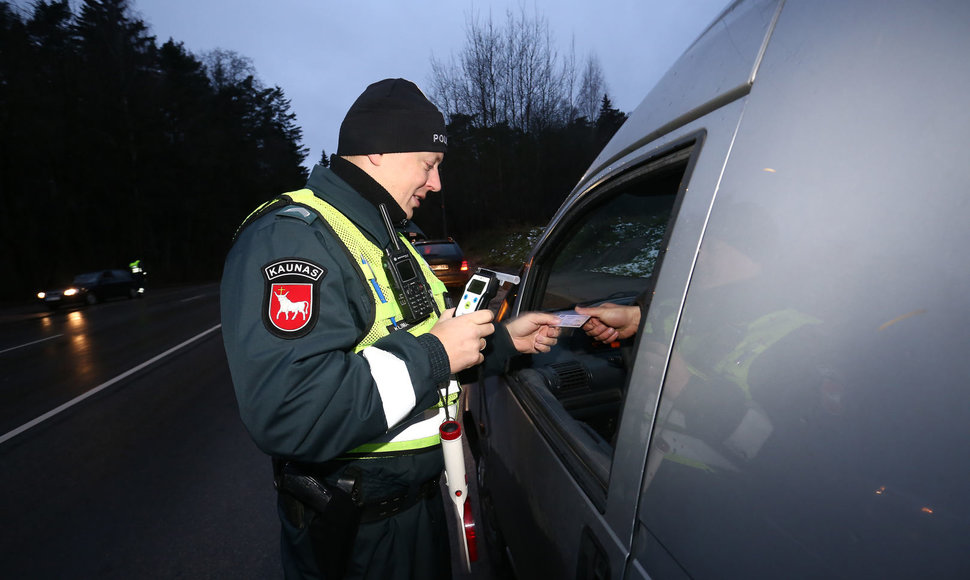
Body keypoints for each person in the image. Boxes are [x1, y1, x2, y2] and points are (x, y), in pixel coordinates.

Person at [220, 78, 560, 580]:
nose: (436, 184)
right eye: (429, 164)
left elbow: (432, 347)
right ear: (378, 150)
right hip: (356, 535)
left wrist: (508, 340)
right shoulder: (293, 237)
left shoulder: (388, 239)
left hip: (412, 511)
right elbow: (291, 410)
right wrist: (435, 353)